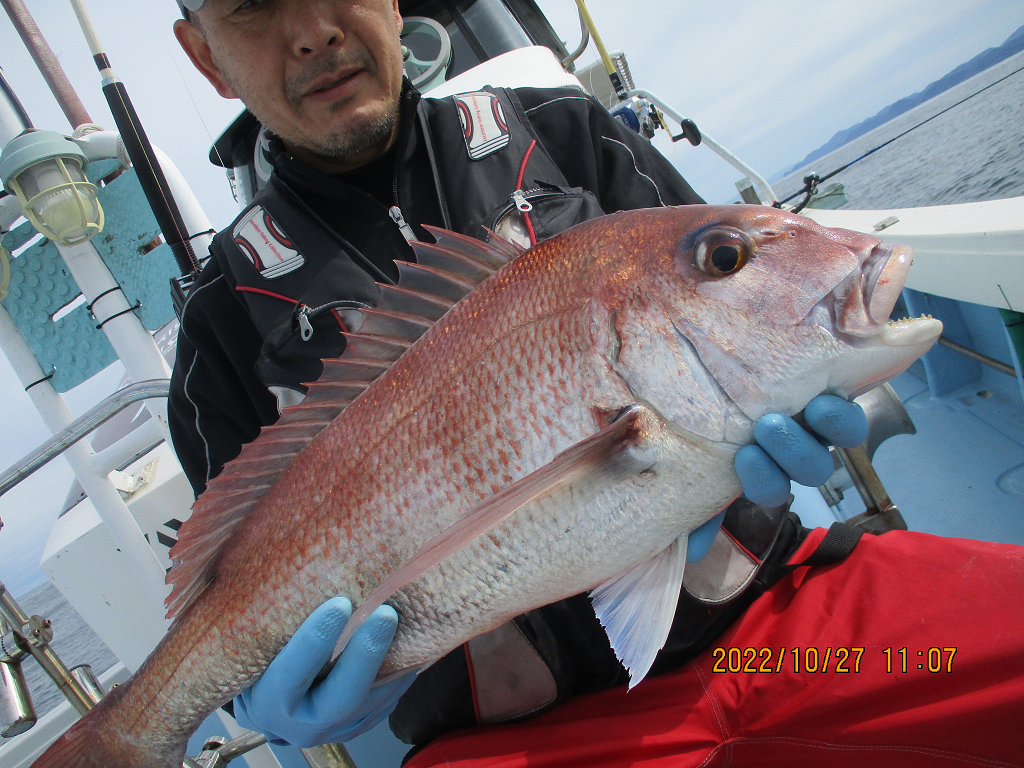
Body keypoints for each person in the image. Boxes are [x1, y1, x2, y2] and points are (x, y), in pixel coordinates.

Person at [167, 2, 1024, 766]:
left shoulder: (561, 130)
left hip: (779, 634)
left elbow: (754, 289)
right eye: (252, 6)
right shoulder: (221, 323)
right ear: (205, 56)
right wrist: (267, 704)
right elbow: (229, 595)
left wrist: (802, 386)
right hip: (512, 742)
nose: (313, 27)